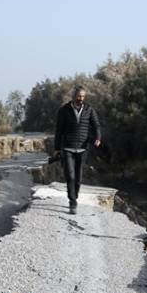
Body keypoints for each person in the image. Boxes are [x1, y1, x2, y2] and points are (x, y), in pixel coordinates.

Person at [53, 85, 101, 213]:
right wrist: (57, 148)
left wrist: (98, 137)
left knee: (78, 179)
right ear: (73, 96)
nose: (81, 98)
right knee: (70, 176)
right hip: (67, 147)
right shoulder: (64, 110)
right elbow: (58, 131)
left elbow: (96, 125)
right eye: (79, 96)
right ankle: (72, 202)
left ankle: (75, 195)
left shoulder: (89, 109)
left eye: (83, 96)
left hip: (83, 148)